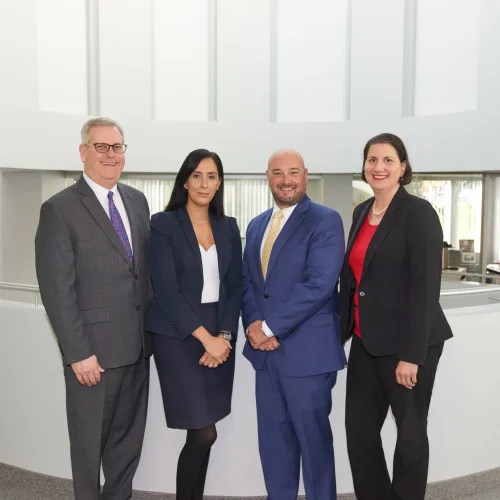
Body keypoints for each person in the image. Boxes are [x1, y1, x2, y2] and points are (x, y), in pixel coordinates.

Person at [35, 117, 152, 500]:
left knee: (126, 446)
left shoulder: (136, 200)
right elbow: (58, 289)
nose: (110, 155)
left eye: (117, 147)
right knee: (88, 449)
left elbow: (141, 274)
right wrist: (78, 353)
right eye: (101, 147)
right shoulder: (59, 209)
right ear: (83, 151)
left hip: (136, 348)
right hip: (93, 357)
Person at [339, 133, 453, 500]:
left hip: (407, 344)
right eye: (372, 160)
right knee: (359, 432)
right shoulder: (361, 211)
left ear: (403, 167)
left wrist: (411, 355)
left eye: (388, 160)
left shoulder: (418, 213)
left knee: (410, 436)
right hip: (366, 341)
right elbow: (355, 280)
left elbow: (425, 289)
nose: (379, 167)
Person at [241, 149, 346, 500]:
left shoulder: (325, 220)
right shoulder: (256, 225)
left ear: (305, 174)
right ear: (267, 177)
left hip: (308, 357)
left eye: (293, 172)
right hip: (266, 358)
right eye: (277, 173)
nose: (286, 180)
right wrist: (254, 323)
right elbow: (247, 282)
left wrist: (268, 327)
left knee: (313, 447)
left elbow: (319, 284)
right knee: (273, 445)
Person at [146, 149, 242, 500]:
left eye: (212, 176)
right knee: (204, 432)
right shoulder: (163, 223)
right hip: (178, 335)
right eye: (197, 175)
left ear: (219, 183)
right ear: (185, 181)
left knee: (205, 433)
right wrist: (207, 339)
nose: (204, 183)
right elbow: (167, 291)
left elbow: (234, 287)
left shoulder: (228, 226)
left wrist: (225, 336)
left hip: (220, 331)